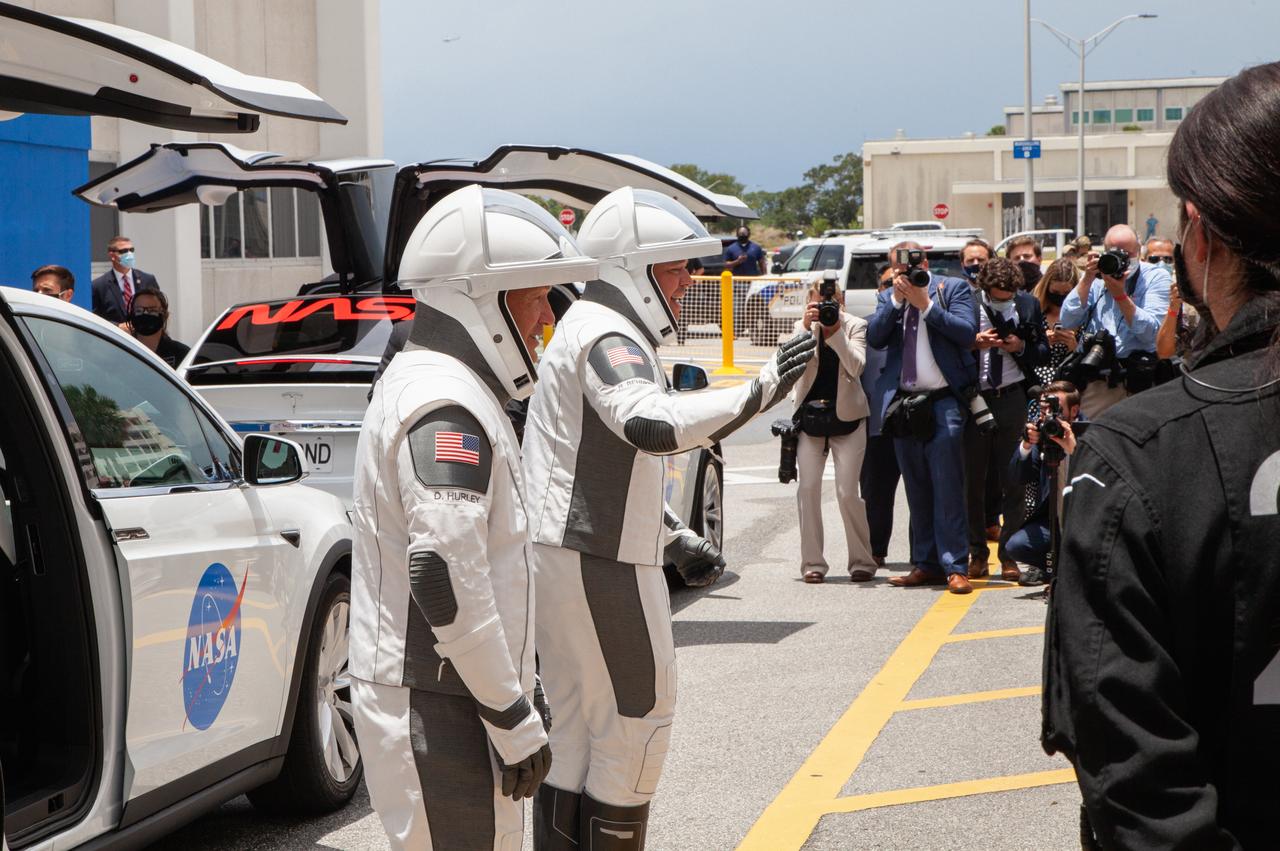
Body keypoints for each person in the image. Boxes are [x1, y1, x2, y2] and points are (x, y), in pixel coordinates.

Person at [522, 187, 815, 849]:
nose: (692, 279)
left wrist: (669, 531)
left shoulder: (586, 322)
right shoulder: (607, 330)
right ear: (635, 265)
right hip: (598, 552)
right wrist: (760, 388)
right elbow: (648, 421)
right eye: (677, 265)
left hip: (570, 545)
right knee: (637, 726)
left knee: (574, 732)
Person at [1043, 61, 1280, 848]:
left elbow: (1134, 773)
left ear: (1202, 232)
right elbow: (1065, 336)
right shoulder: (1076, 299)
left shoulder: (1136, 452)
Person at [348, 186, 595, 849]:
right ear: (483, 297)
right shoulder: (443, 404)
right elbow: (441, 575)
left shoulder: (441, 385)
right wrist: (511, 713)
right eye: (536, 292)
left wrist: (512, 689)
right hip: (440, 695)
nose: (549, 312)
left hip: (452, 688)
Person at [868, 240, 978, 595]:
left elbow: (966, 333)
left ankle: (955, 566)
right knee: (917, 488)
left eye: (912, 262)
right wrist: (899, 301)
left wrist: (925, 305)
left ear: (926, 261)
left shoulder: (952, 288)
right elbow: (876, 337)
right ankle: (925, 563)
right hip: (904, 404)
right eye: (898, 266)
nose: (906, 270)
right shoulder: (889, 297)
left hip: (944, 401)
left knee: (947, 486)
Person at [963, 257, 1048, 581]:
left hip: (1012, 396)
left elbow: (1041, 350)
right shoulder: (968, 305)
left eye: (1008, 295)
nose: (1004, 300)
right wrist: (975, 343)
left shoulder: (1026, 304)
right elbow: (951, 348)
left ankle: (1008, 555)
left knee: (1014, 478)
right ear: (985, 289)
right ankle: (976, 554)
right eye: (998, 296)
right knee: (973, 480)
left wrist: (1020, 345)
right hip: (976, 399)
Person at [792, 275, 874, 583]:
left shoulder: (855, 325)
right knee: (808, 490)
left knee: (847, 493)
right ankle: (812, 564)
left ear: (842, 301)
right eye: (818, 301)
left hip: (848, 419)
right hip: (810, 420)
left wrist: (834, 332)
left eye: (832, 300)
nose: (826, 306)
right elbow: (787, 365)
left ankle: (862, 562)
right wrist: (804, 329)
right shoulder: (803, 326)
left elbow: (856, 366)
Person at [1057, 223, 1171, 417]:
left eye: (1126, 254)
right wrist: (1087, 279)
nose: (1121, 260)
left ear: (1138, 252)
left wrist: (1120, 296)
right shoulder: (1097, 279)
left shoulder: (1155, 277)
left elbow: (1151, 334)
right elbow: (1067, 320)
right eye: (1114, 253)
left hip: (1137, 381)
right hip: (1098, 381)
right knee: (1092, 439)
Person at [1005, 381, 1082, 586]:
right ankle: (1052, 570)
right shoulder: (1041, 435)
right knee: (1016, 545)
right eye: (1044, 410)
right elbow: (1017, 477)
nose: (1048, 416)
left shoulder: (1090, 432)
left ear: (1074, 411)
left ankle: (1075, 571)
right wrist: (1027, 445)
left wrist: (1071, 447)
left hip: (1084, 518)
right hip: (1052, 520)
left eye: (1055, 409)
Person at [859, 263, 901, 567]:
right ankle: (874, 551)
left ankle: (925, 558)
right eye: (889, 283)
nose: (896, 288)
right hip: (875, 426)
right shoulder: (863, 328)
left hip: (919, 422)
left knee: (923, 495)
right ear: (879, 289)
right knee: (875, 493)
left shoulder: (926, 324)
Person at [91, 236, 159, 325]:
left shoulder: (148, 280)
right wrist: (118, 327)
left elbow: (159, 309)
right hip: (116, 337)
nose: (129, 254)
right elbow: (96, 318)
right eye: (123, 251)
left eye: (131, 250)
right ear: (112, 255)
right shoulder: (99, 285)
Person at [126, 288, 189, 368]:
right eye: (139, 310)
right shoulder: (122, 351)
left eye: (152, 310)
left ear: (165, 315)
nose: (145, 314)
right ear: (131, 315)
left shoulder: (182, 355)